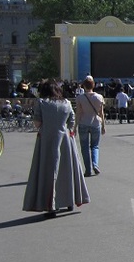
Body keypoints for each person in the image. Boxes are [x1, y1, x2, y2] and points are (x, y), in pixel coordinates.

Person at [23, 79, 90, 218]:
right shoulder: (66, 103)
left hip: (48, 139)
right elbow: (72, 121)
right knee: (67, 169)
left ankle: (51, 205)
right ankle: (70, 201)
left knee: (49, 171)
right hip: (65, 139)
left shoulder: (42, 103)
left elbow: (37, 123)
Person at [74, 76, 105, 177]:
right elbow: (101, 113)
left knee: (84, 147)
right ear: (93, 85)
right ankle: (95, 164)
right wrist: (103, 125)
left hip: (83, 123)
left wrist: (75, 126)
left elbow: (78, 113)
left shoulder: (80, 98)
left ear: (84, 86)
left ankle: (88, 169)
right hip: (96, 123)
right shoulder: (99, 97)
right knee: (95, 146)